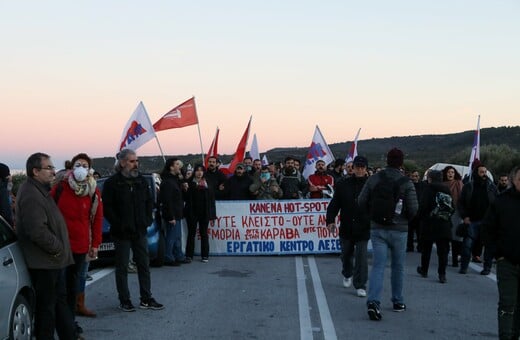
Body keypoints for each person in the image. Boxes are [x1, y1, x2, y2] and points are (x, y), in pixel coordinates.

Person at [15, 152, 77, 339]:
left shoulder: (40, 190)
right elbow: (37, 231)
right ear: (35, 171)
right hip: (45, 263)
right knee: (47, 310)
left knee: (58, 305)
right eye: (48, 168)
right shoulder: (31, 194)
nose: (53, 171)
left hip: (52, 262)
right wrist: (57, 248)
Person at [358, 147, 418, 321]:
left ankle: (373, 301)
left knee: (378, 266)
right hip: (399, 229)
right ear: (401, 162)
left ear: (387, 160)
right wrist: (404, 219)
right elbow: (414, 208)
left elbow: (361, 201)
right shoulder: (406, 182)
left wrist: (372, 216)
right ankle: (397, 301)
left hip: (378, 228)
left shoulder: (374, 178)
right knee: (398, 267)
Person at [102, 149, 164, 312]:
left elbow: (149, 202)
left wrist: (147, 220)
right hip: (121, 233)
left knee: (144, 264)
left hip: (139, 231)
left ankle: (146, 298)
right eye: (132, 161)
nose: (136, 164)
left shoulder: (141, 181)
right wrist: (119, 224)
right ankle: (125, 300)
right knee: (122, 267)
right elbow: (107, 208)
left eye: (137, 161)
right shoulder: (112, 183)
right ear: (122, 163)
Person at [51, 153, 103, 325]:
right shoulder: (60, 187)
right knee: (60, 286)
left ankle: (71, 323)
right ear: (71, 167)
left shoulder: (93, 191)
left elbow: (97, 219)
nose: (81, 168)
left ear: (90, 169)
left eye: (85, 165)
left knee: (73, 285)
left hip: (80, 245)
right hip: (60, 245)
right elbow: (48, 211)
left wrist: (95, 244)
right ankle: (60, 322)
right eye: (78, 164)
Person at [481, 166, 520, 340]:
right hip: (507, 263)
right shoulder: (501, 201)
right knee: (507, 304)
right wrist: (498, 254)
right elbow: (487, 229)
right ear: (513, 180)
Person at [326, 155, 370, 297]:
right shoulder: (343, 184)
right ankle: (347, 272)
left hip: (364, 227)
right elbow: (334, 205)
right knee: (346, 254)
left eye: (362, 167)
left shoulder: (371, 185)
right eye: (357, 167)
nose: (359, 170)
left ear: (366, 169)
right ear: (353, 168)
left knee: (361, 258)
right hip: (346, 227)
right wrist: (330, 221)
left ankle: (360, 284)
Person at [458, 160, 498, 275]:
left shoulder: (492, 187)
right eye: (481, 172)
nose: (484, 174)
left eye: (485, 172)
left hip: (488, 222)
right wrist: (464, 216)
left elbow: (498, 202)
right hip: (472, 221)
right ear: (476, 173)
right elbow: (461, 203)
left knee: (488, 247)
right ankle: (464, 267)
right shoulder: (468, 186)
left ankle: (487, 268)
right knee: (467, 245)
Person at [416, 170, 453, 283]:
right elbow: (452, 207)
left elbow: (423, 205)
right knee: (443, 251)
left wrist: (420, 218)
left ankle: (424, 270)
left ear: (430, 178)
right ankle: (442, 274)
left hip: (430, 224)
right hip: (444, 224)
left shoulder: (428, 188)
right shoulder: (447, 189)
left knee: (426, 249)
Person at [159, 158, 189, 266]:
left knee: (177, 236)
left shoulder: (174, 180)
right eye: (177, 164)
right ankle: (168, 257)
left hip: (177, 212)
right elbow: (167, 201)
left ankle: (178, 256)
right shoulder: (167, 182)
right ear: (171, 167)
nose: (179, 166)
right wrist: (170, 216)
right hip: (173, 214)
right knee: (172, 236)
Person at [184, 164, 217, 263]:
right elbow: (185, 197)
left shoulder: (207, 183)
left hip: (204, 212)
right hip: (192, 212)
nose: (199, 172)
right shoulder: (189, 183)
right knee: (191, 234)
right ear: (194, 172)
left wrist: (212, 215)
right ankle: (189, 255)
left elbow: (212, 200)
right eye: (197, 170)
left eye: (201, 170)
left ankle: (205, 255)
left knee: (204, 234)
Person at [442, 165, 464, 267]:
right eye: (448, 172)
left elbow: (463, 197)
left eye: (452, 172)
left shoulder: (458, 183)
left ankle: (455, 258)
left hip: (456, 212)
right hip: (444, 212)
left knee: (456, 237)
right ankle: (444, 258)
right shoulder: (442, 184)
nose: (450, 174)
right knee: (445, 236)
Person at [407, 170, 425, 252]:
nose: (415, 177)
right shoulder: (408, 185)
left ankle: (420, 247)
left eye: (416, 176)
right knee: (410, 231)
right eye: (413, 176)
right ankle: (409, 246)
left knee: (420, 231)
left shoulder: (423, 185)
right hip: (410, 211)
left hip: (420, 211)